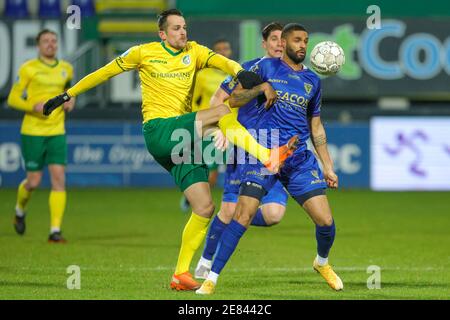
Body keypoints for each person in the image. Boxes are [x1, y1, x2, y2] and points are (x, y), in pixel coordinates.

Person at [42, 9, 298, 291]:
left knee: (204, 206)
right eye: (176, 28)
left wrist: (238, 72)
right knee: (222, 110)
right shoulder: (143, 53)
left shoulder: (195, 52)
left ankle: (180, 274)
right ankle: (267, 156)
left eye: (184, 27)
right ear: (162, 34)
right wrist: (68, 94)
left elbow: (222, 61)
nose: (183, 32)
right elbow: (104, 73)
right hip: (159, 131)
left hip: (182, 138)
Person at [196, 23, 343, 295]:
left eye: (306, 41)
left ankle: (322, 262)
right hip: (262, 155)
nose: (302, 45)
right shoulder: (262, 67)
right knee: (241, 214)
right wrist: (261, 88)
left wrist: (328, 166)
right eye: (297, 40)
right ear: (285, 43)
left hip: (298, 158)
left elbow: (317, 127)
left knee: (325, 221)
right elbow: (234, 99)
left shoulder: (312, 81)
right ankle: (211, 278)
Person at [195, 22, 291, 279]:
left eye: (283, 39)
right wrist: (221, 129)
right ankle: (205, 260)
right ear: (264, 43)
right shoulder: (247, 69)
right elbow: (218, 101)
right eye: (274, 39)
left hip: (275, 150)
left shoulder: (295, 74)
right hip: (246, 148)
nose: (279, 44)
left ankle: (240, 221)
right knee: (227, 211)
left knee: (273, 215)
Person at [7, 29, 75, 243]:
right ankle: (20, 210)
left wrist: (70, 101)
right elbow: (12, 98)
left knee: (58, 178)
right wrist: (32, 106)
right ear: (38, 45)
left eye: (54, 41)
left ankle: (55, 230)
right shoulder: (29, 69)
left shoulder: (66, 69)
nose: (51, 44)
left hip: (57, 131)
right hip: (33, 131)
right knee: (33, 182)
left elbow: (68, 92)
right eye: (46, 41)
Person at [180, 38, 234, 212]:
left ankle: (197, 198)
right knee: (209, 169)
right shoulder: (203, 75)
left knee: (215, 171)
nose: (224, 51)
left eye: (226, 48)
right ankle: (196, 199)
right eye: (219, 49)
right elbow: (192, 101)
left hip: (229, 128)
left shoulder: (234, 76)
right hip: (209, 127)